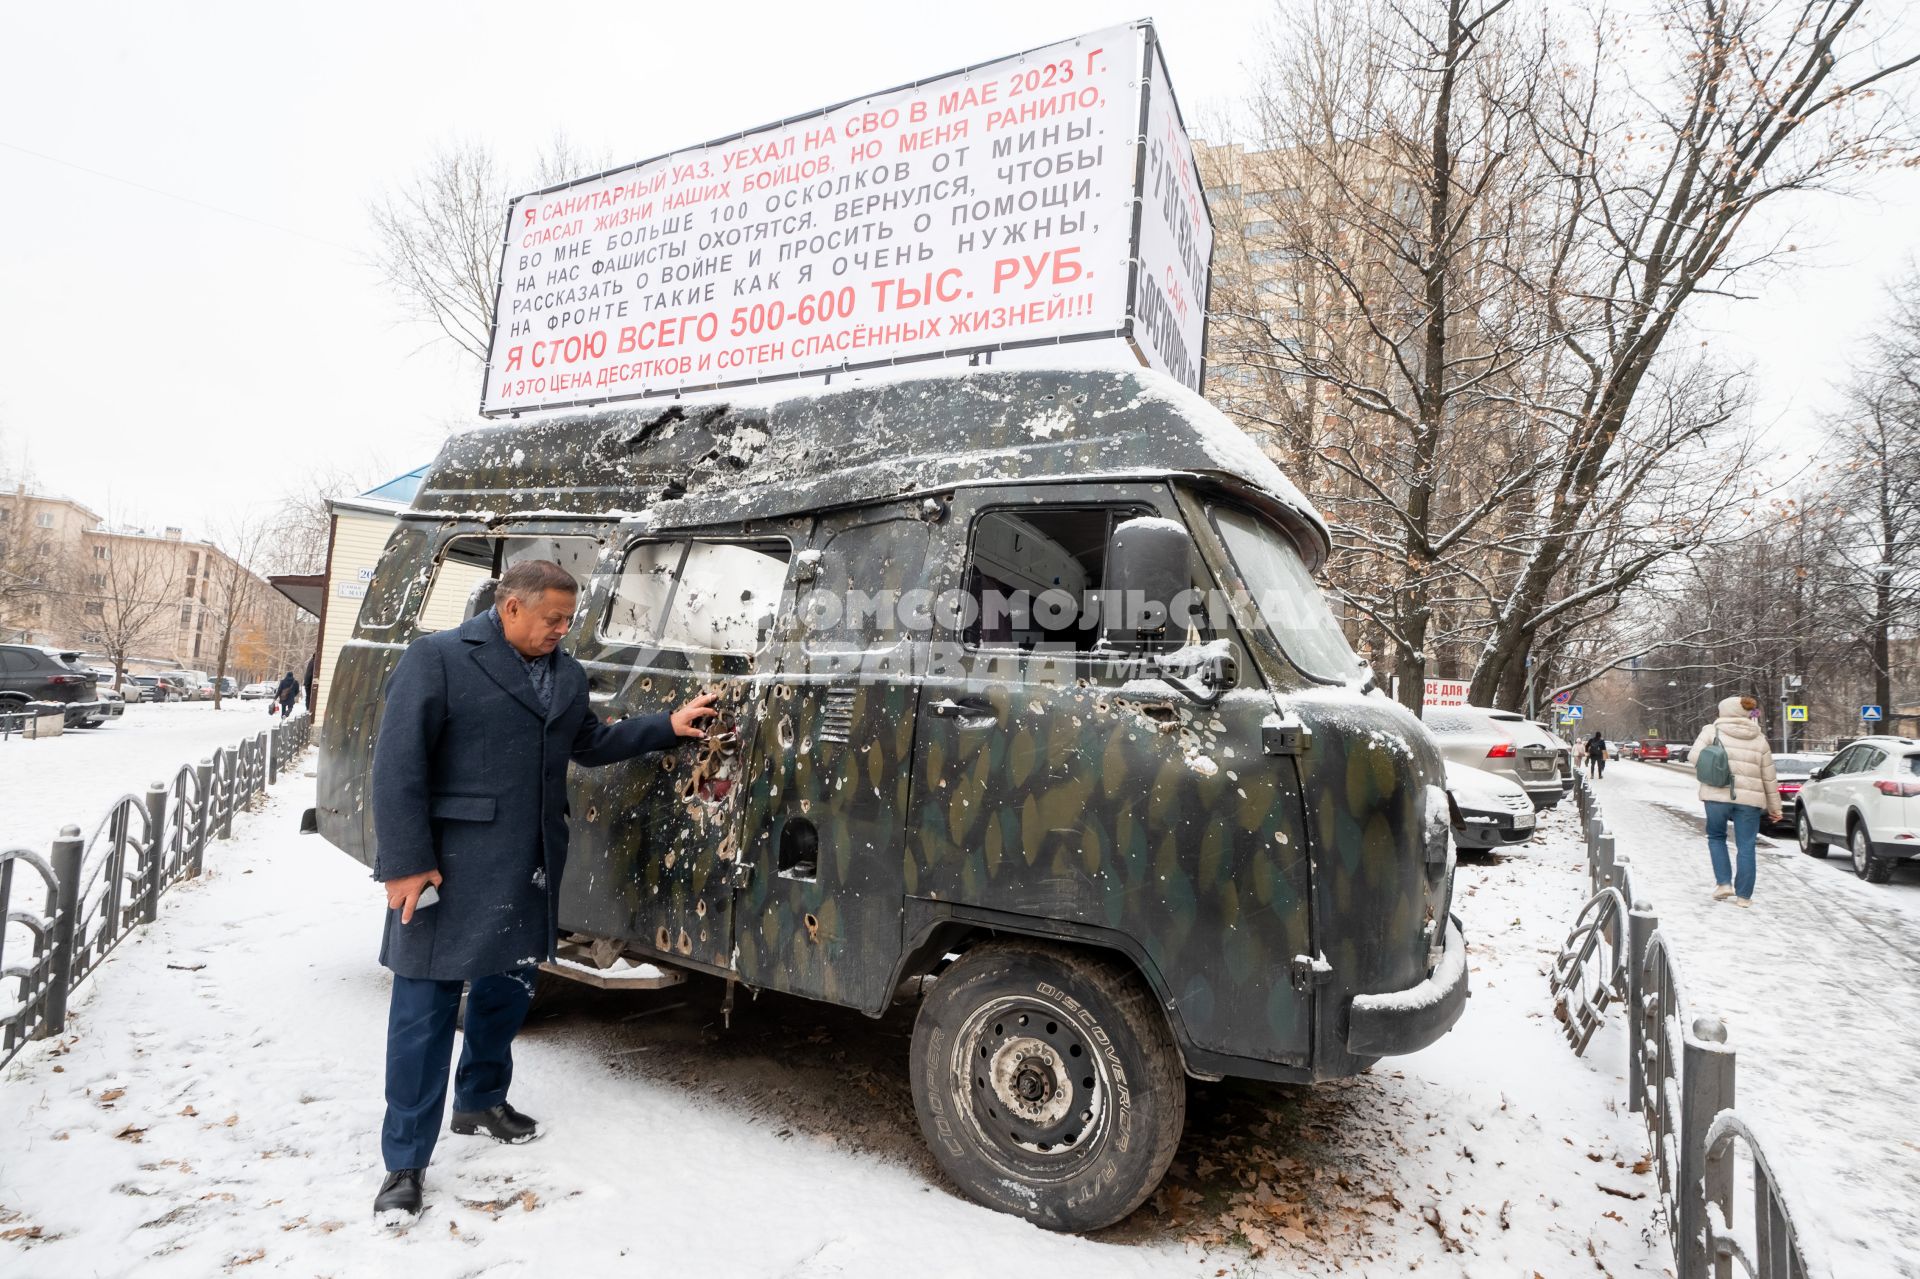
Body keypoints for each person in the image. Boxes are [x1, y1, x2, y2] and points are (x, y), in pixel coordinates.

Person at [368, 560, 718, 1225]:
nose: (563, 629)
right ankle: (405, 1162)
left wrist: (665, 726)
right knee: (425, 1007)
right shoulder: (438, 657)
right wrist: (406, 863)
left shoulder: (567, 673)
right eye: (553, 617)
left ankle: (479, 1099)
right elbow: (397, 764)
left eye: (569, 618)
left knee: (507, 989)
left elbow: (590, 742)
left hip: (528, 863)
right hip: (447, 867)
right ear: (510, 607)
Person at [1687, 694, 1781, 908]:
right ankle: (1744, 897)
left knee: (1716, 837)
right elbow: (1769, 776)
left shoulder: (1711, 731)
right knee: (1746, 846)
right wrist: (1775, 807)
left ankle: (1723, 883)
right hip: (1750, 800)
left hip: (1717, 794)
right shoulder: (1759, 738)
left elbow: (1693, 757)